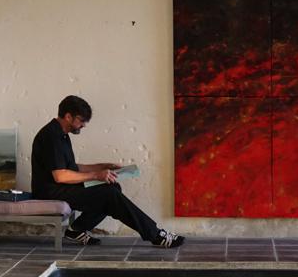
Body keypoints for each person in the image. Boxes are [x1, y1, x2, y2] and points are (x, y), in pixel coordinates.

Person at [31, 95, 185, 248]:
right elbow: (60, 176)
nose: (84, 125)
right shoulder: (51, 137)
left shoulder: (62, 135)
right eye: (81, 120)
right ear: (68, 116)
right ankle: (155, 234)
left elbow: (72, 168)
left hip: (60, 187)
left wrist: (104, 166)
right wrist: (96, 175)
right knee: (109, 195)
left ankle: (76, 230)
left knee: (113, 187)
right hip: (50, 191)